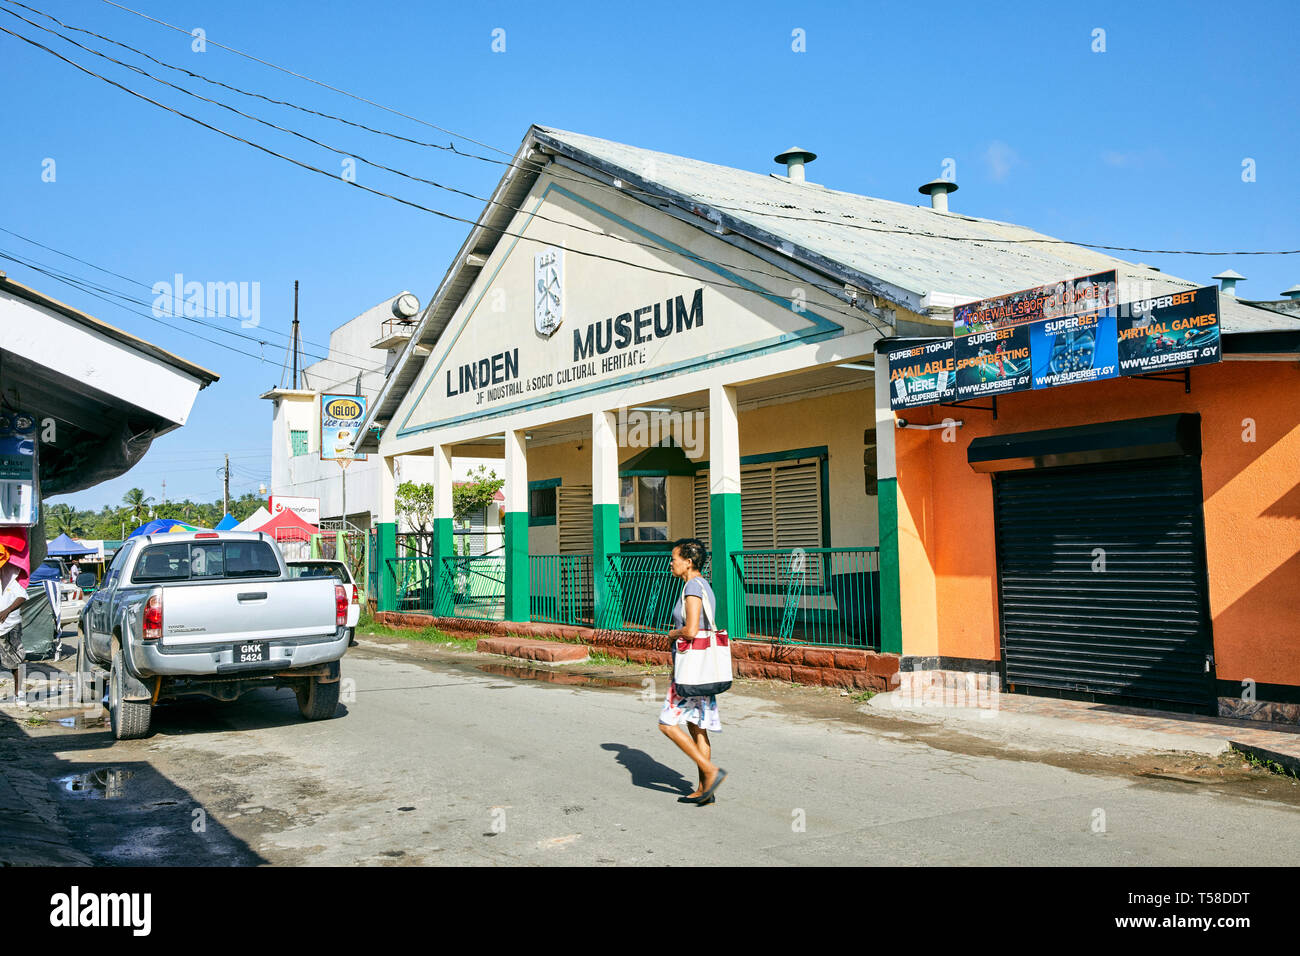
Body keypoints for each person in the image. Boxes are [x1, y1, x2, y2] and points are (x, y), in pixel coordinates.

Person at [658, 537, 727, 806]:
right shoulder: (702, 586)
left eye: (674, 558)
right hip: (702, 671)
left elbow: (691, 630)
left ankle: (710, 771)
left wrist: (671, 634)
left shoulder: (692, 588)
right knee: (698, 727)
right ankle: (705, 789)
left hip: (691, 673)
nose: (670, 563)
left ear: (688, 562)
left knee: (667, 724)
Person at [0, 546, 29, 704]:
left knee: (16, 660)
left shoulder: (10, 577)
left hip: (10, 625)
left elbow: (22, 596)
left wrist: (7, 610)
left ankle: (19, 693)